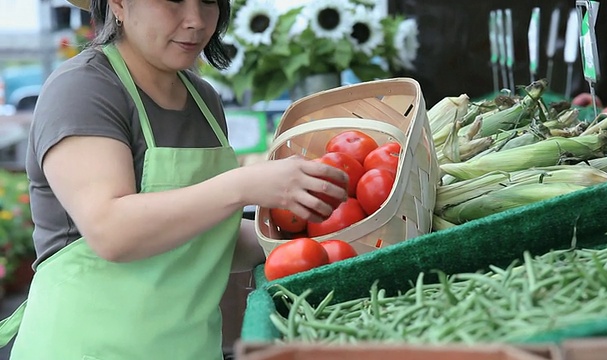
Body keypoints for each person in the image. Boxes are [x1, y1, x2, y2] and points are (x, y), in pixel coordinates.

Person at [0, 0, 348, 359]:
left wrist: (321, 235)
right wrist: (245, 185)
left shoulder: (204, 100)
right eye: (173, 1)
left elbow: (206, 236)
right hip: (87, 348)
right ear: (118, 4)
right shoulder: (83, 89)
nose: (196, 20)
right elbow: (111, 230)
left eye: (209, 2)